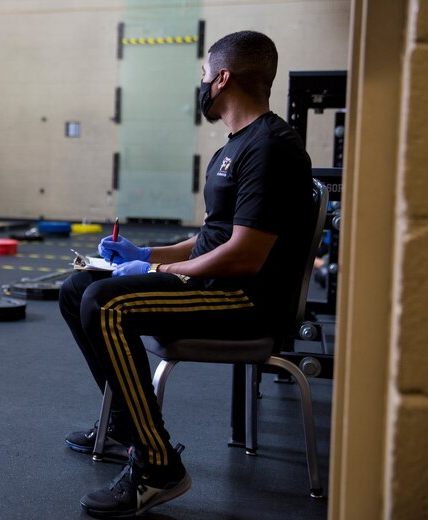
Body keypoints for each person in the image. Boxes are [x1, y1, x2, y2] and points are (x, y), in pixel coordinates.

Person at [59, 30, 313, 518]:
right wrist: (144, 251)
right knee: (79, 289)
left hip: (245, 301)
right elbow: (209, 240)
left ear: (222, 79)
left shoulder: (272, 147)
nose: (201, 86)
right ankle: (124, 428)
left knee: (105, 303)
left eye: (203, 76)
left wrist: (152, 269)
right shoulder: (235, 148)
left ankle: (158, 467)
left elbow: (243, 256)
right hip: (216, 285)